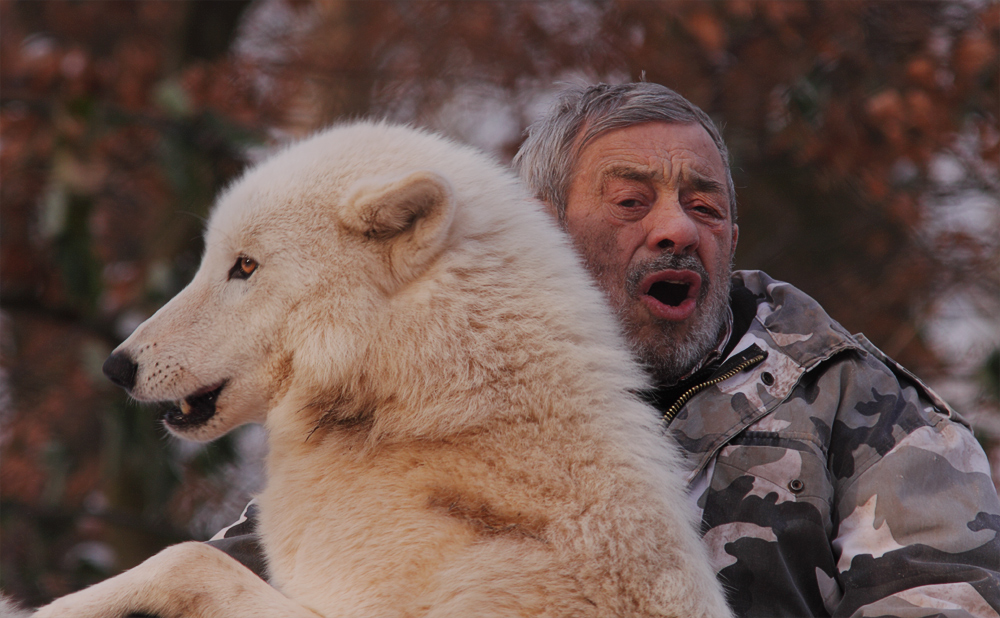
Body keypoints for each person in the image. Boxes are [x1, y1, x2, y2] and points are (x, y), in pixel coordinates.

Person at [210, 82, 1000, 617]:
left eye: (706, 205)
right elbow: (259, 572)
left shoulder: (869, 414)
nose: (677, 228)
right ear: (540, 226)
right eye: (630, 201)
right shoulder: (410, 399)